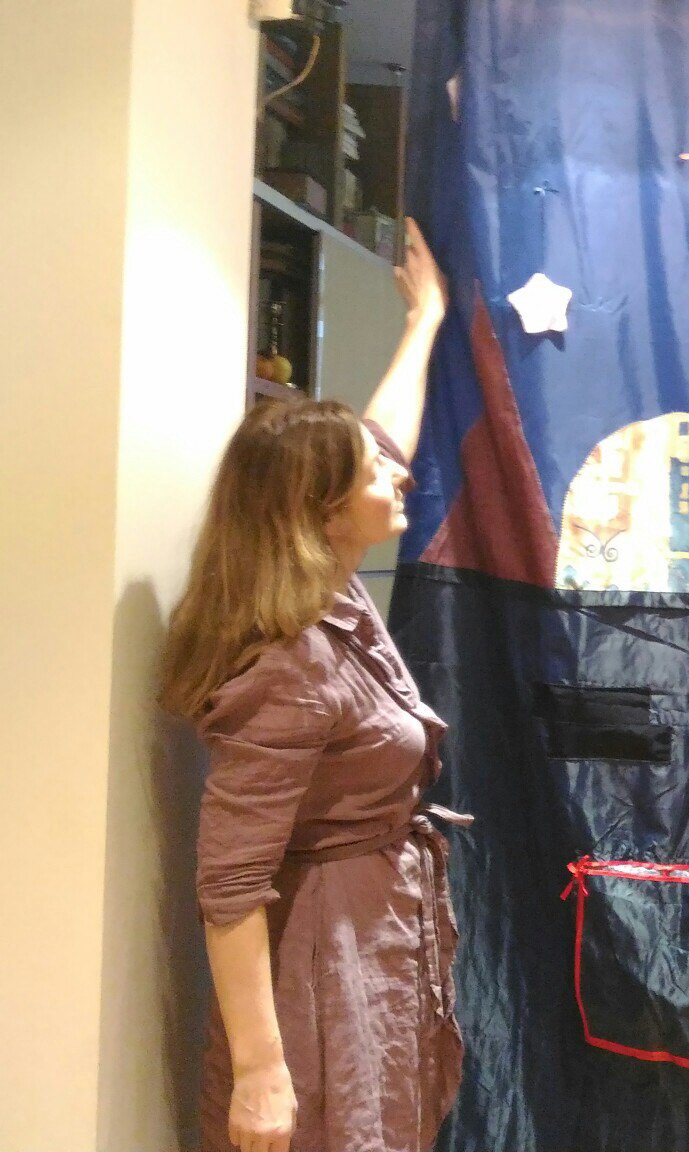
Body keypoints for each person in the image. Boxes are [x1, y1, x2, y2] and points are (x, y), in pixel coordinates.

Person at [160, 220, 462, 1152]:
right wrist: (260, 1072)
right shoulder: (290, 663)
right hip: (324, 961)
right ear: (323, 511)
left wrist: (426, 321)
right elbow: (230, 881)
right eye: (374, 473)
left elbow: (381, 431)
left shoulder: (329, 589)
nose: (398, 469)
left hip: (369, 934)